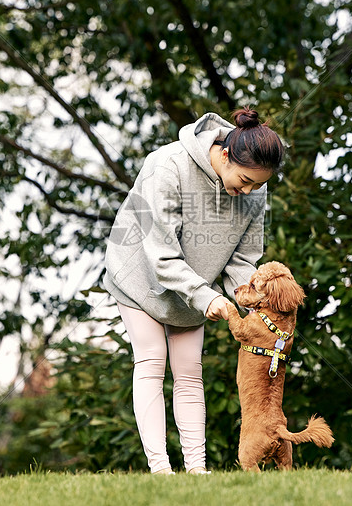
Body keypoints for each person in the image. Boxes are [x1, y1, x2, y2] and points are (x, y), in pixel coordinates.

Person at [103, 107, 285, 474]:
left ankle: (197, 473)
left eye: (257, 186)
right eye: (245, 179)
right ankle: (160, 472)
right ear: (224, 154)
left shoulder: (253, 193)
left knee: (189, 372)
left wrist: (250, 304)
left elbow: (242, 259)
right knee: (152, 361)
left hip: (193, 291)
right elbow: (162, 254)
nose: (248, 191)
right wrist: (209, 297)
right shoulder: (167, 165)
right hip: (139, 277)